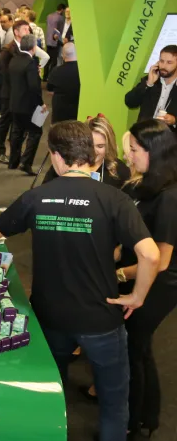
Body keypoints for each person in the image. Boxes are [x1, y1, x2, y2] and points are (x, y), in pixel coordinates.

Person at [0, 120, 160, 441]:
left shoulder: (37, 198)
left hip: (51, 315)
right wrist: (137, 297)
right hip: (100, 317)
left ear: (56, 157)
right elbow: (150, 255)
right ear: (90, 153)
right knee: (114, 401)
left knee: (51, 389)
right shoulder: (113, 199)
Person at [119, 119, 177, 438]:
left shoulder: (170, 197)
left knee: (135, 344)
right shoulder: (144, 183)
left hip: (160, 283)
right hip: (138, 272)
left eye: (134, 150)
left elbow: (162, 261)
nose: (129, 157)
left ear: (154, 152)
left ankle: (136, 420)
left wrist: (117, 273)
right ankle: (146, 416)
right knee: (138, 347)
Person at [44, 115, 131, 189]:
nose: (94, 151)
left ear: (109, 146)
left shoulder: (119, 171)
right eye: (90, 145)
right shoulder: (64, 164)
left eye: (100, 146)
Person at [8, 34, 46, 175]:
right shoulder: (30, 63)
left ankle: (13, 161)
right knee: (35, 132)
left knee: (17, 132)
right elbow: (34, 87)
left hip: (15, 103)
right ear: (33, 47)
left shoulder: (14, 60)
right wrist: (41, 104)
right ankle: (26, 162)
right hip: (30, 106)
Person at [124, 45, 177, 127]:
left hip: (170, 136)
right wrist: (149, 84)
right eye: (161, 61)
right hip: (144, 133)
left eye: (169, 62)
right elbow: (130, 102)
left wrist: (174, 120)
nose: (163, 66)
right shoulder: (150, 79)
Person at [46, 42, 80, 123]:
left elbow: (49, 88)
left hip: (59, 115)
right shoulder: (83, 72)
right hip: (77, 113)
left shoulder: (56, 71)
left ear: (62, 55)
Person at [44, 4, 66, 80]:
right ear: (62, 10)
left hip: (48, 40)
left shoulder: (49, 16)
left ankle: (44, 76)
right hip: (55, 41)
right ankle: (51, 77)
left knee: (48, 60)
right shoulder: (61, 18)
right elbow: (60, 30)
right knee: (54, 61)